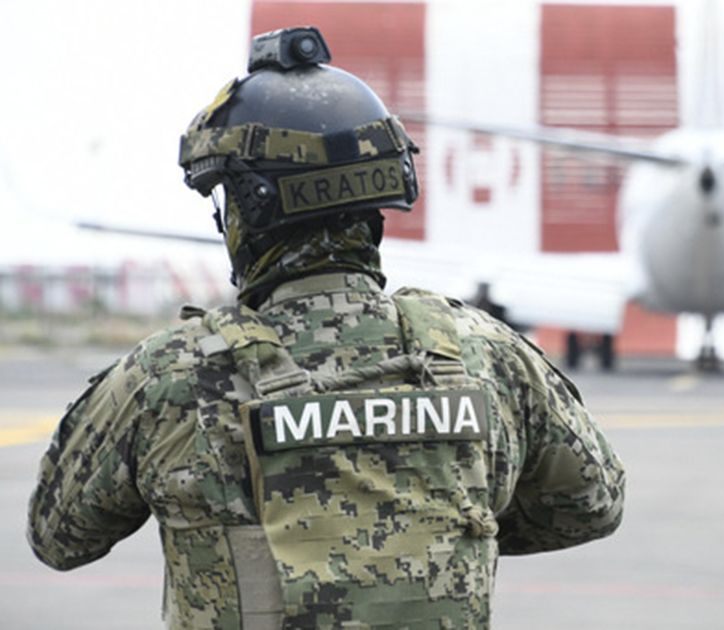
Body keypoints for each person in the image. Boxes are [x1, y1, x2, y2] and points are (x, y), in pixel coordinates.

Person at [27, 27, 625, 629]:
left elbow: (58, 536)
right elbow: (591, 504)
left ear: (251, 210)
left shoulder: (171, 376)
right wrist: (433, 528)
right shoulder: (485, 354)